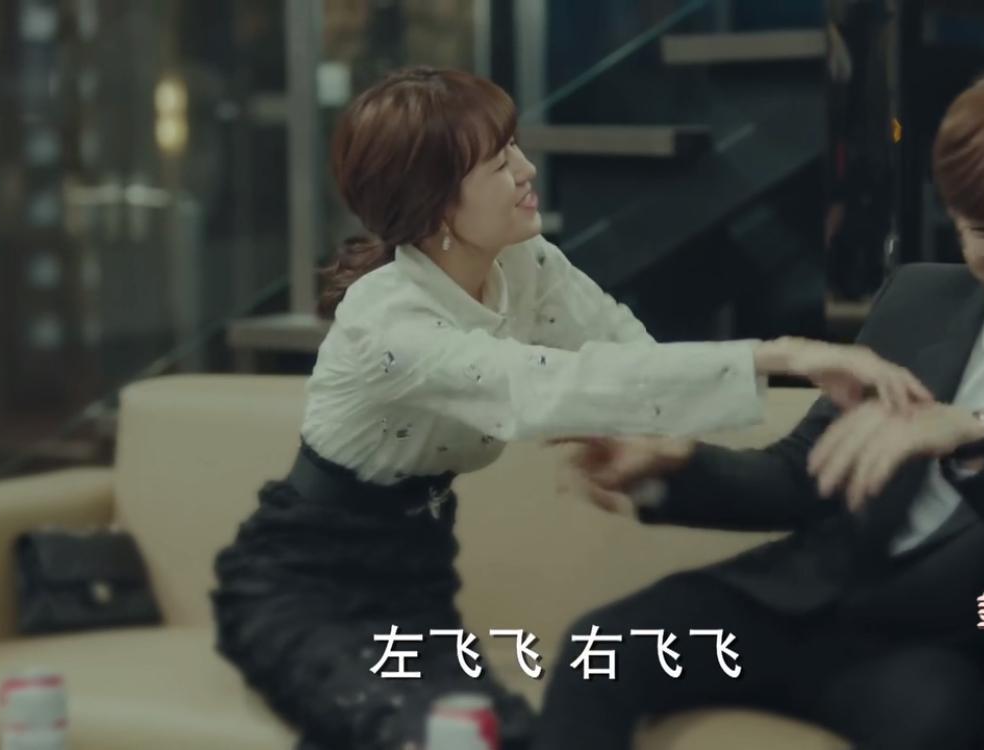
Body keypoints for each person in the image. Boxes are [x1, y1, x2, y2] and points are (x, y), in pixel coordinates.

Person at [208, 67, 927, 750]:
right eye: (499, 164)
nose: (526, 170)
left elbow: (631, 358)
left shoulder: (526, 265)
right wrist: (784, 355)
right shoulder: (386, 319)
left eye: (515, 148)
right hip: (300, 582)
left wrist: (666, 449)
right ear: (436, 205)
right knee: (422, 731)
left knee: (511, 735)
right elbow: (536, 388)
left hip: (413, 578)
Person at [538, 64, 984, 750]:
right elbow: (803, 473)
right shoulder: (920, 299)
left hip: (934, 643)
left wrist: (976, 442)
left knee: (934, 729)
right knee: (601, 650)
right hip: (795, 598)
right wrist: (672, 465)